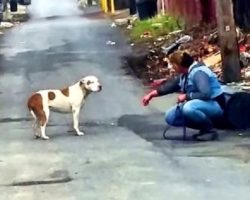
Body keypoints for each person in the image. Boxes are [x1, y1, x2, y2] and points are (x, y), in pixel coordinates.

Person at [142, 51, 225, 141]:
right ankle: (203, 126)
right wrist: (151, 95)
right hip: (203, 104)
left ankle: (209, 130)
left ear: (178, 65)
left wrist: (186, 96)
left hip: (215, 105)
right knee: (171, 117)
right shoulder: (185, 74)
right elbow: (170, 86)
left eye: (173, 65)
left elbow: (206, 94)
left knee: (189, 108)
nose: (172, 68)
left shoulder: (199, 73)